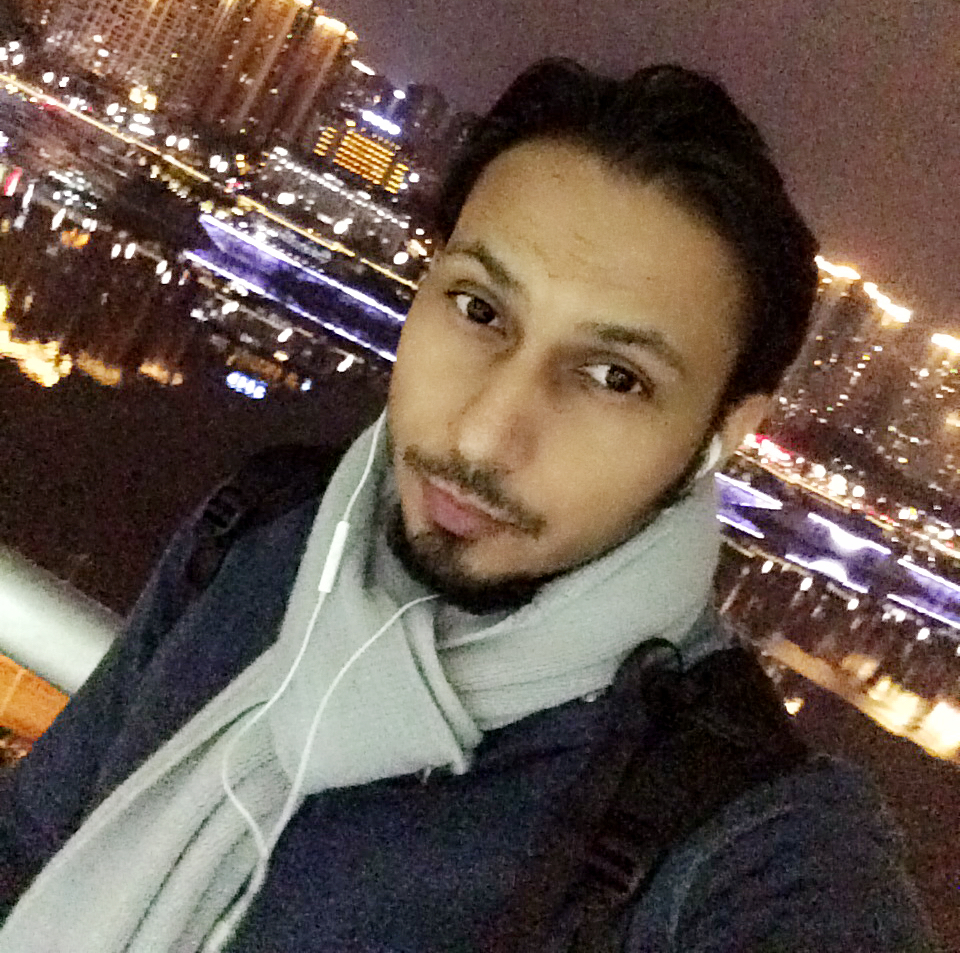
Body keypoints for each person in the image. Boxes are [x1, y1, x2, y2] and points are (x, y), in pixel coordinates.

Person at [0, 61, 937, 951]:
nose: (486, 436)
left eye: (615, 376)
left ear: (723, 431)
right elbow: (30, 842)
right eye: (480, 310)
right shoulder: (260, 531)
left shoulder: (728, 832)